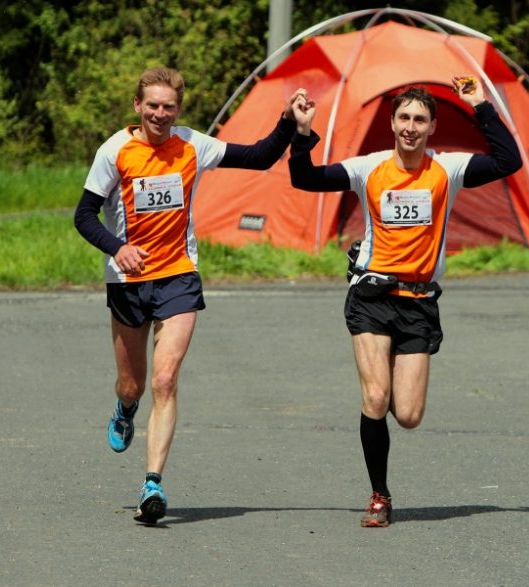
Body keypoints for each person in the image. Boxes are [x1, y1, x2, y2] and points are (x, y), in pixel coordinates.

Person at [74, 66, 307, 524]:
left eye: (169, 107)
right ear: (138, 106)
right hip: (128, 281)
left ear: (178, 110)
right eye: (153, 106)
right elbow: (84, 216)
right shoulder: (114, 151)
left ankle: (152, 484)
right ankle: (125, 408)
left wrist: (286, 120)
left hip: (179, 275)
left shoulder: (192, 144)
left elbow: (260, 157)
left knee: (165, 381)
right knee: (134, 384)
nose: (161, 114)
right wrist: (117, 248)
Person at [287, 78, 523, 527]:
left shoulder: (447, 169)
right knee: (375, 396)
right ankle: (379, 495)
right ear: (392, 124)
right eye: (403, 118)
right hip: (372, 296)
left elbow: (508, 161)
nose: (410, 127)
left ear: (432, 126)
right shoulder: (369, 168)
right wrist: (300, 133)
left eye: (419, 119)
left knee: (409, 415)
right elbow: (304, 178)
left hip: (418, 303)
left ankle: (386, 394)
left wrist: (479, 105)